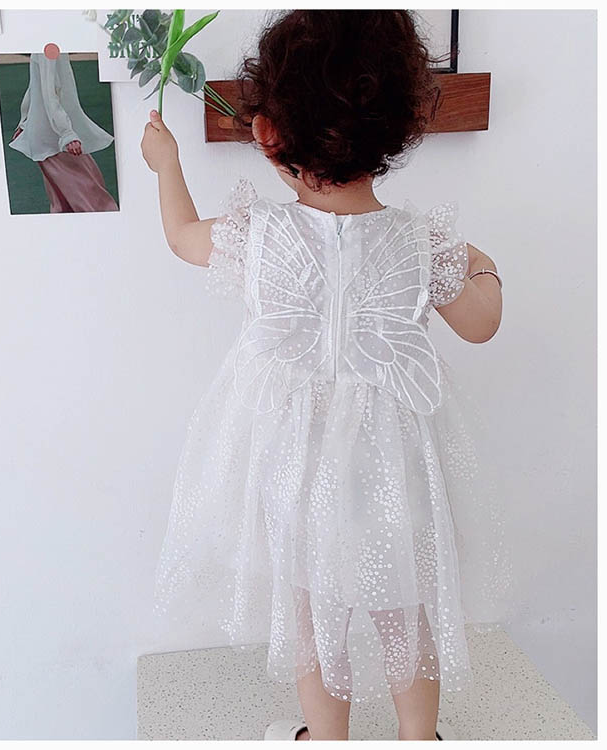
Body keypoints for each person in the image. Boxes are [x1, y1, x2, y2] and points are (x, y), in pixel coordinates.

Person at [141, 10, 511, 742]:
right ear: (402, 128)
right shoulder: (419, 242)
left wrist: (167, 165)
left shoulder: (260, 235)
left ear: (267, 133)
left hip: (295, 473)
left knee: (311, 614)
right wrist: (484, 265)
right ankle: (418, 737)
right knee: (405, 610)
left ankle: (326, 738)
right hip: (393, 472)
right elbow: (481, 322)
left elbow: (182, 237)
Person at [9, 52, 118, 213]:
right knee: (92, 201)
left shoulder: (45, 48)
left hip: (49, 137)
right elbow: (49, 93)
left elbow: (35, 87)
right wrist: (67, 134)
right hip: (56, 138)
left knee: (64, 202)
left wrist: (25, 122)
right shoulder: (49, 49)